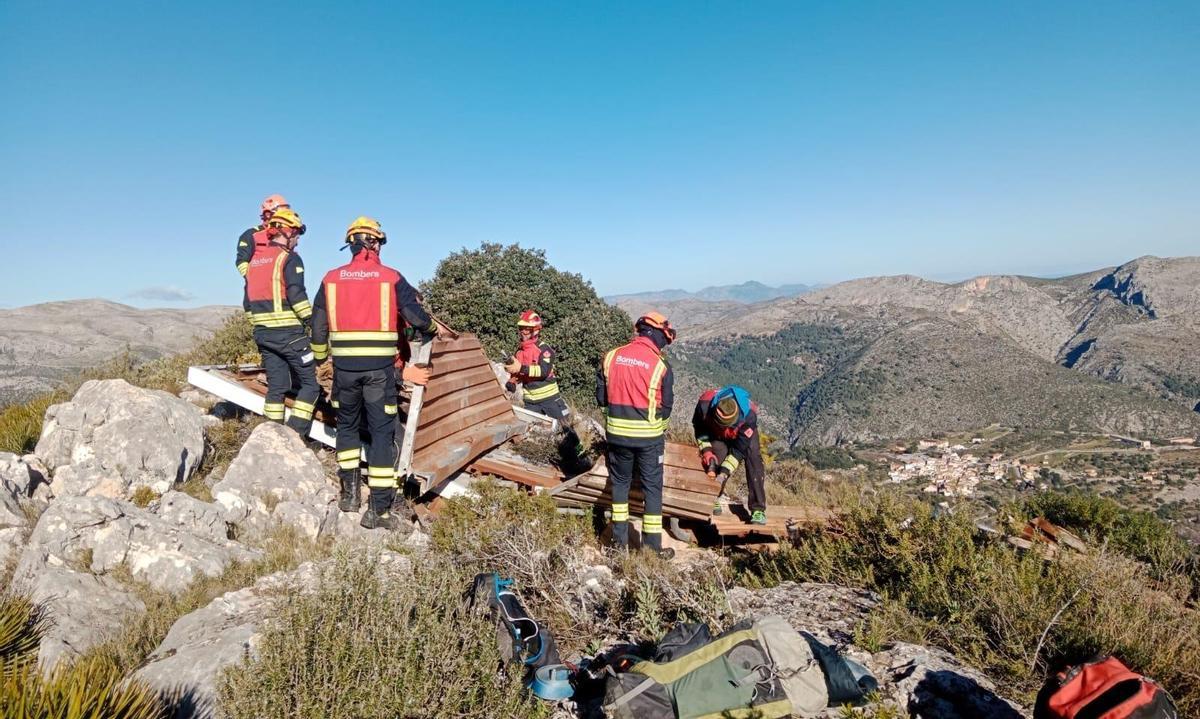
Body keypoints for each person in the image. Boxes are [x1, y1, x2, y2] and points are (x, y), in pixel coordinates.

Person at [310, 216, 438, 531]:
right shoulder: (390, 278)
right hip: (380, 373)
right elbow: (417, 318)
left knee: (348, 431)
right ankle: (378, 511)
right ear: (375, 242)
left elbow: (317, 325)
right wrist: (431, 328)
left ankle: (350, 496)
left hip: (344, 373)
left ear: (350, 243)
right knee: (383, 436)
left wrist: (320, 355)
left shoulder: (330, 279)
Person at [595, 312, 676, 557]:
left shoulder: (611, 357)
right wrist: (657, 430)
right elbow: (667, 407)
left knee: (620, 486)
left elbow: (601, 397)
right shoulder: (660, 365)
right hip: (649, 439)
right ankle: (651, 551)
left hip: (617, 436)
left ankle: (618, 547)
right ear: (658, 334)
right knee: (652, 490)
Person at [242, 207, 319, 436]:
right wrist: (312, 322)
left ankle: (271, 436)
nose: (297, 241)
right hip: (290, 335)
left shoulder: (254, 263)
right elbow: (296, 294)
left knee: (276, 387)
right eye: (296, 235)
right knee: (310, 385)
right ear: (286, 232)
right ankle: (295, 437)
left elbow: (247, 302)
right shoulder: (289, 258)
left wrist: (260, 325)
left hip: (264, 335)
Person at [503, 310, 592, 473]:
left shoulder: (545, 350)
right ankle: (535, 464)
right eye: (521, 328)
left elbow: (543, 371)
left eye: (527, 328)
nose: (523, 331)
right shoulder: (519, 352)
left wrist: (521, 367)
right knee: (530, 435)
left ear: (536, 330)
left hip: (551, 400)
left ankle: (583, 460)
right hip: (531, 403)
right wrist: (512, 381)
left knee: (567, 431)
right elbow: (517, 374)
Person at [693, 385, 767, 524]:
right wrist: (707, 451)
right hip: (715, 433)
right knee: (715, 458)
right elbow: (699, 428)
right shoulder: (704, 405)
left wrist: (724, 473)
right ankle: (713, 496)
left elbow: (739, 451)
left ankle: (758, 509)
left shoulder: (749, 417)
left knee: (753, 459)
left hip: (741, 436)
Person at [236, 194, 289, 278]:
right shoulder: (251, 234)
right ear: (268, 214)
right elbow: (242, 262)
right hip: (257, 288)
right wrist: (253, 279)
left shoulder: (286, 235)